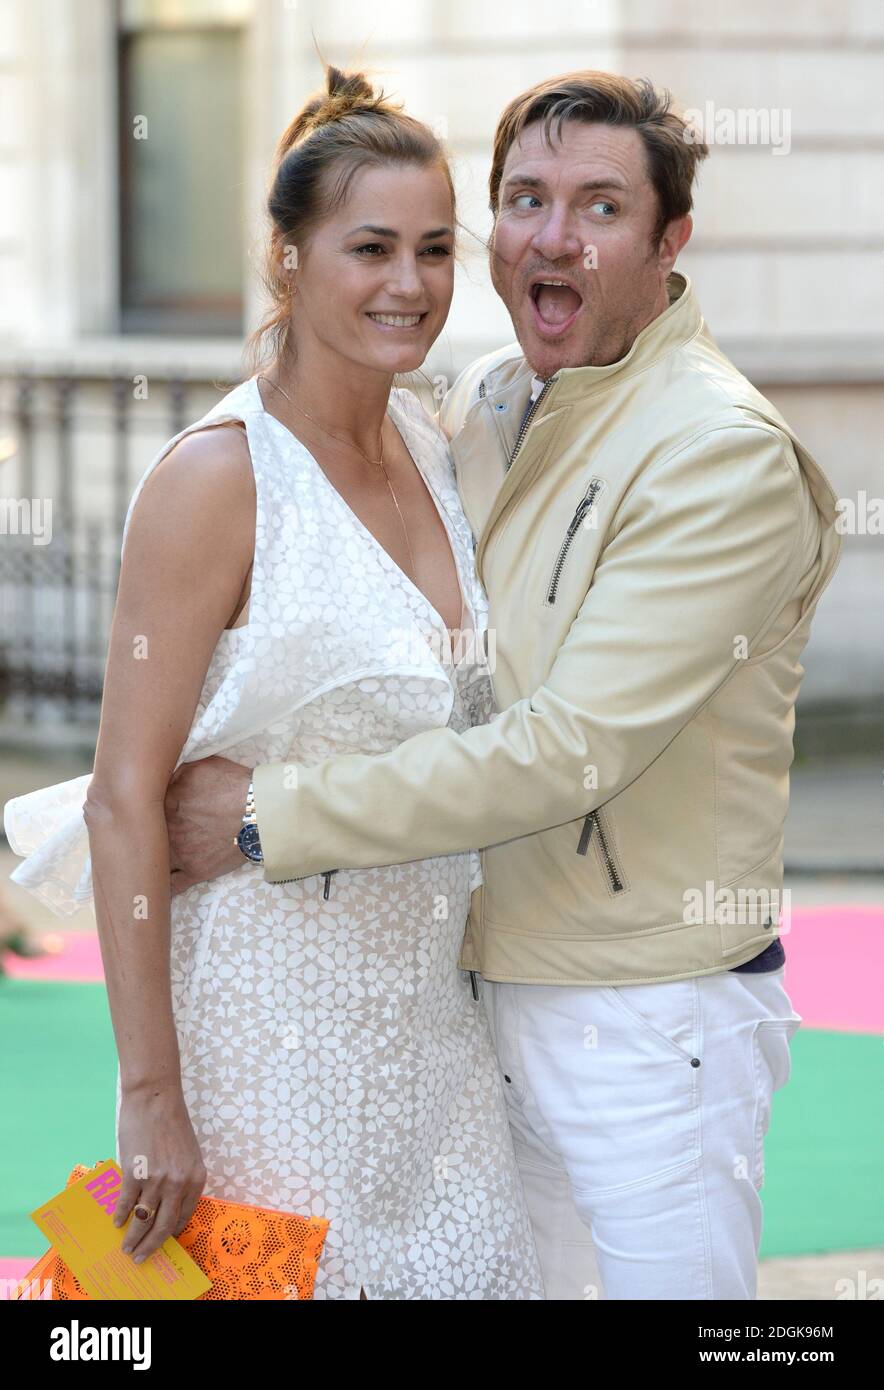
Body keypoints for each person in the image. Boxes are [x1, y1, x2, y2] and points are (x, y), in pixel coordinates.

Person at [162, 71, 842, 1299]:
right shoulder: (482, 403)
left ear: (668, 240)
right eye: (523, 200)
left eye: (598, 207)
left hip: (650, 1013)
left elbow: (562, 750)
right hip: (466, 996)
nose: (551, 235)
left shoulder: (718, 455)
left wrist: (266, 814)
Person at [4, 65, 545, 1301]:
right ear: (288, 259)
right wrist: (151, 1097)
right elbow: (123, 797)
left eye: (432, 248)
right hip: (264, 1044)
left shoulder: (430, 440)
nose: (408, 284)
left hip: (433, 1045)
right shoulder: (216, 478)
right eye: (368, 248)